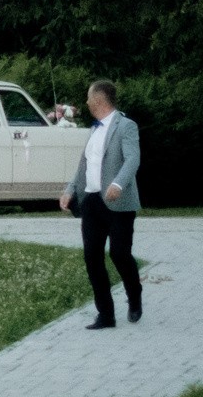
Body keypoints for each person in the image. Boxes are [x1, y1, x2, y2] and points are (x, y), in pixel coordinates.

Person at [59, 79, 143, 329]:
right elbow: (83, 166)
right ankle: (106, 314)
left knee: (119, 254)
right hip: (92, 201)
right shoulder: (93, 130)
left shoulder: (126, 126)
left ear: (98, 100)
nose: (85, 102)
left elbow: (132, 159)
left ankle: (134, 295)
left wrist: (118, 184)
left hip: (119, 202)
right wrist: (69, 190)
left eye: (88, 98)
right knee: (92, 257)